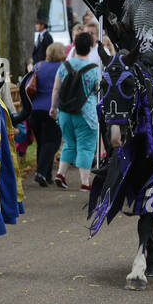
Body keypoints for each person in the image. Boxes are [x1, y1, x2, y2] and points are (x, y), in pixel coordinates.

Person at [51, 32, 101, 190]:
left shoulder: (64, 66)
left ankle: (60, 174)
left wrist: (53, 107)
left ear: (74, 45)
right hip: (85, 114)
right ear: (91, 47)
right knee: (86, 146)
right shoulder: (94, 69)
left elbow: (56, 89)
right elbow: (98, 91)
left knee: (69, 143)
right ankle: (85, 183)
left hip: (64, 112)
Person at [29, 43, 66, 187]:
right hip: (52, 109)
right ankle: (40, 172)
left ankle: (46, 176)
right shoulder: (62, 68)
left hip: (35, 109)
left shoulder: (38, 65)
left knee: (42, 143)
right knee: (53, 142)